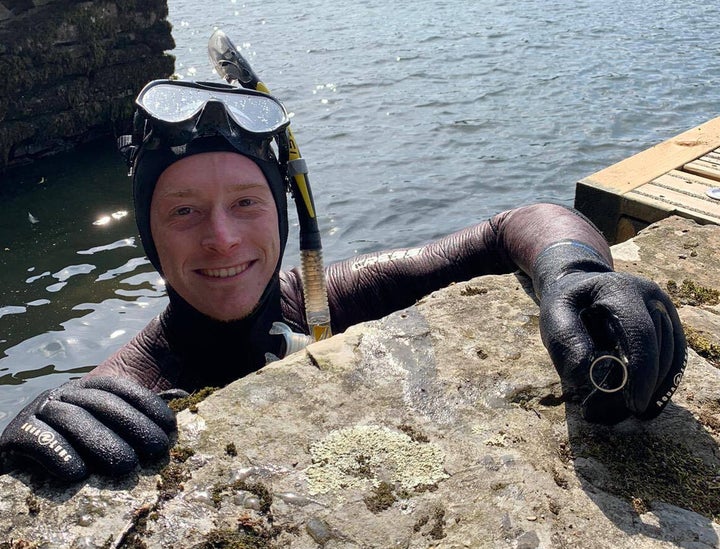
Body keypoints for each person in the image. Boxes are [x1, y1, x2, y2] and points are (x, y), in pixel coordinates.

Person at [0, 79, 686, 482]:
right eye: (183, 212)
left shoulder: (326, 300)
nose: (222, 237)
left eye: (246, 202)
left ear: (282, 211)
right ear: (148, 235)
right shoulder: (122, 389)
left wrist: (572, 271)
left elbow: (520, 222)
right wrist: (18, 449)